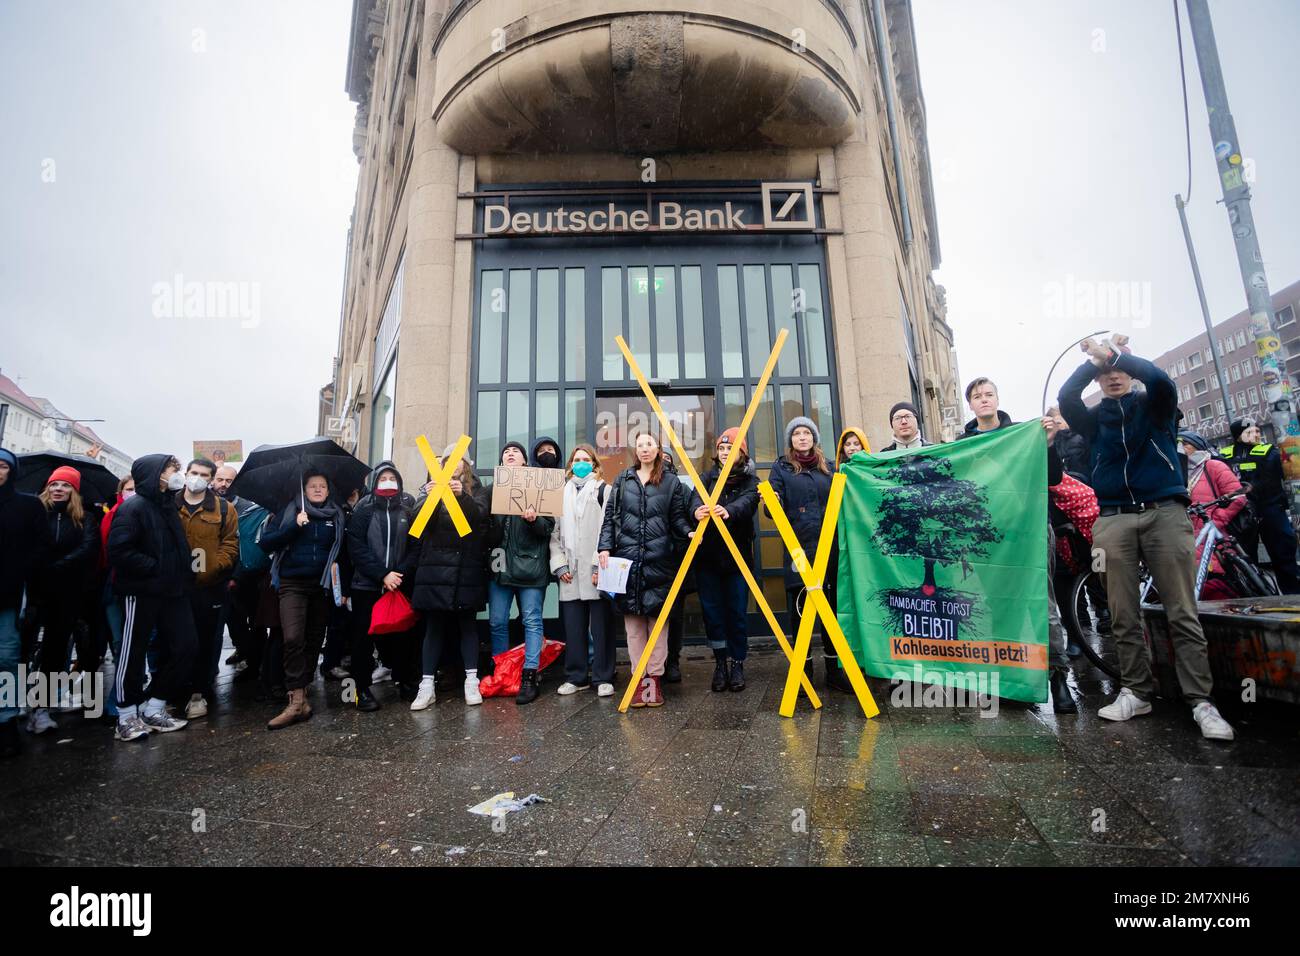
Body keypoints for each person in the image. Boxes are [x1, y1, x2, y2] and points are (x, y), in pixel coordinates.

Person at [1059, 336, 1236, 740]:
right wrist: (1095, 361)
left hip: (1165, 512)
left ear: (1129, 370)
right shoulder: (1091, 419)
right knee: (1122, 613)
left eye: (1119, 370)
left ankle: (1201, 702)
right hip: (1113, 518)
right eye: (1106, 374)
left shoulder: (1154, 408)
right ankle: (1136, 691)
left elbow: (1160, 380)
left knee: (1182, 610)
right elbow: (1066, 394)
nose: (1113, 377)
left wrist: (1117, 355)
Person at [957, 378, 1075, 711]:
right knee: (996, 605)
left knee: (1042, 604)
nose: (983, 400)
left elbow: (1052, 478)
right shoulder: (963, 443)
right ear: (970, 404)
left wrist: (1049, 443)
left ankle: (1057, 678)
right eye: (977, 396)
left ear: (997, 398)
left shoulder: (1024, 433)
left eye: (988, 394)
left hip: (1030, 530)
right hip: (988, 539)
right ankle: (1007, 678)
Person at [598, 431, 693, 707]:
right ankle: (639, 680)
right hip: (628, 563)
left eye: (649, 444)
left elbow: (677, 518)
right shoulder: (623, 480)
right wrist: (604, 547)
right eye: (639, 445)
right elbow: (610, 518)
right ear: (635, 450)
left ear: (658, 448)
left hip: (659, 561)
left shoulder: (671, 482)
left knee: (658, 626)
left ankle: (654, 680)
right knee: (634, 628)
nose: (644, 449)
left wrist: (688, 533)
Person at [107, 454, 196, 740]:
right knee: (133, 653)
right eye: (171, 469)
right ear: (155, 473)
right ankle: (126, 715)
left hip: (173, 591)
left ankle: (155, 706)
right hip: (142, 592)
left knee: (187, 646)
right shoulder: (134, 508)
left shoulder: (168, 506)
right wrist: (157, 568)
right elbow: (120, 552)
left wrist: (183, 574)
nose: (176, 474)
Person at [767, 417, 852, 692]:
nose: (802, 437)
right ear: (791, 440)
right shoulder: (781, 468)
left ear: (814, 438)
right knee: (800, 609)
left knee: (830, 608)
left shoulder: (828, 469)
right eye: (797, 433)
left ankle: (833, 670)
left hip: (829, 546)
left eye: (807, 433)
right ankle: (803, 671)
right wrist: (774, 501)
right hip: (799, 548)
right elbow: (771, 509)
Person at [258, 471, 346, 730]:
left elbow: (342, 551)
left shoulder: (336, 516)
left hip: (323, 586)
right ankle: (295, 699)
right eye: (313, 486)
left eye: (323, 486)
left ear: (328, 491)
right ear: (304, 490)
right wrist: (293, 526)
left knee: (314, 639)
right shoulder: (289, 512)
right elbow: (266, 543)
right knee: (293, 637)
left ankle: (302, 694)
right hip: (292, 584)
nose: (318, 489)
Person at [411, 445, 492, 708]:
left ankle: (471, 681)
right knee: (433, 628)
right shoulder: (430, 487)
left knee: (467, 626)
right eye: (448, 459)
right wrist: (429, 496)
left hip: (465, 571)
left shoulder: (478, 491)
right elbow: (417, 524)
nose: (453, 464)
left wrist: (462, 498)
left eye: (458, 460)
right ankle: (426, 686)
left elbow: (480, 521)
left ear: (466, 466)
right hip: (434, 570)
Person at [23, 466, 100, 734]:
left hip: (67, 593)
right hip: (33, 591)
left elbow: (88, 548)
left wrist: (55, 568)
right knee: (22, 647)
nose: (58, 489)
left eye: (65, 485)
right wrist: (38, 567)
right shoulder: (33, 513)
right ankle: (17, 701)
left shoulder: (85, 518)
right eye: (54, 484)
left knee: (55, 651)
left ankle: (41, 707)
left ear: (74, 491)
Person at [346, 461, 419, 712]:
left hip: (399, 584)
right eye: (383, 478)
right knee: (363, 639)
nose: (388, 482)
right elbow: (356, 547)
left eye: (392, 478)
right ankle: (361, 689)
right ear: (375, 481)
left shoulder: (408, 510)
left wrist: (399, 574)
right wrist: (382, 575)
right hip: (367, 585)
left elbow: (415, 546)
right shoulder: (363, 510)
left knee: (403, 635)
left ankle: (404, 680)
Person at [690, 428, 759, 692]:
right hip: (708, 559)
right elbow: (694, 497)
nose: (725, 453)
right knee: (713, 614)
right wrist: (697, 509)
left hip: (737, 560)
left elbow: (748, 502)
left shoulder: (749, 481)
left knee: (736, 614)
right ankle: (720, 664)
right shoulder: (707, 478)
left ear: (741, 454)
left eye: (731, 449)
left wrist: (727, 510)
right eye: (721, 449)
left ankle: (737, 663)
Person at [490, 441, 556, 705]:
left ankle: (529, 676)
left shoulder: (539, 486)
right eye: (505, 451)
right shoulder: (492, 488)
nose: (509, 453)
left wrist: (534, 519)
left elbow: (547, 528)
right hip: (500, 566)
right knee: (496, 621)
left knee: (532, 621)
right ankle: (502, 672)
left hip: (531, 567)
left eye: (515, 451)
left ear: (526, 462)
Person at [174, 458, 239, 720]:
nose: (197, 478)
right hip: (175, 587)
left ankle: (198, 693)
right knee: (175, 641)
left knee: (204, 641)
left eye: (204, 474)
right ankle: (172, 692)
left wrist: (214, 566)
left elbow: (230, 544)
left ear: (210, 479)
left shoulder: (223, 509)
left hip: (209, 586)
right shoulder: (170, 505)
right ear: (186, 474)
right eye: (194, 473)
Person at [549, 444, 614, 696]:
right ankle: (576, 676)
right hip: (569, 570)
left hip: (597, 567)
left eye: (586, 459)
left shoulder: (604, 490)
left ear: (595, 464)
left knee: (601, 627)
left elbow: (608, 529)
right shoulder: (559, 493)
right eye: (577, 459)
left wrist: (599, 565)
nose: (581, 463)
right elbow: (553, 534)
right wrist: (559, 564)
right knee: (574, 627)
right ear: (570, 464)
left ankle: (603, 676)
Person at [0, 449, 53, 756]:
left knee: (7, 657)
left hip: (10, 593)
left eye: (3, 466)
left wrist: (19, 569)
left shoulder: (27, 505)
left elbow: (41, 547)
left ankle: (6, 720)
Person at [1220, 419, 1299, 593]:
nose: (1256, 434)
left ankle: (1292, 595)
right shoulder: (1223, 455)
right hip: (1240, 513)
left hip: (1269, 509)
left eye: (1257, 431)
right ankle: (1254, 595)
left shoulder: (1270, 451)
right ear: (1238, 436)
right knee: (1245, 558)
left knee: (1283, 554)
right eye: (1250, 432)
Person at [211, 464, 271, 683]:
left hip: (246, 573)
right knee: (231, 620)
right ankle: (243, 650)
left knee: (254, 620)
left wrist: (237, 574)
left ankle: (255, 661)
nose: (223, 484)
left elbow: (243, 542)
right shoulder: (207, 505)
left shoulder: (246, 508)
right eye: (220, 479)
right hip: (215, 573)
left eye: (228, 480)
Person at [1179, 431, 1247, 600]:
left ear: (1197, 446)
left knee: (1215, 580)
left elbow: (1238, 496)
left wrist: (1216, 521)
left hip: (1211, 537)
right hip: (1185, 535)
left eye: (1184, 444)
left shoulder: (1213, 466)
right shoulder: (1176, 473)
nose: (1180, 449)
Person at [97, 474, 134, 722]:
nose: (133, 493)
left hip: (133, 587)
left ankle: (120, 699)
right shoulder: (111, 514)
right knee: (120, 643)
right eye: (129, 489)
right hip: (111, 587)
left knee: (128, 645)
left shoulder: (144, 513)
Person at [1047, 405, 1091, 481]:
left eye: (1058, 423)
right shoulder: (1051, 444)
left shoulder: (1081, 436)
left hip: (1082, 484)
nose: (1057, 426)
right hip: (1075, 485)